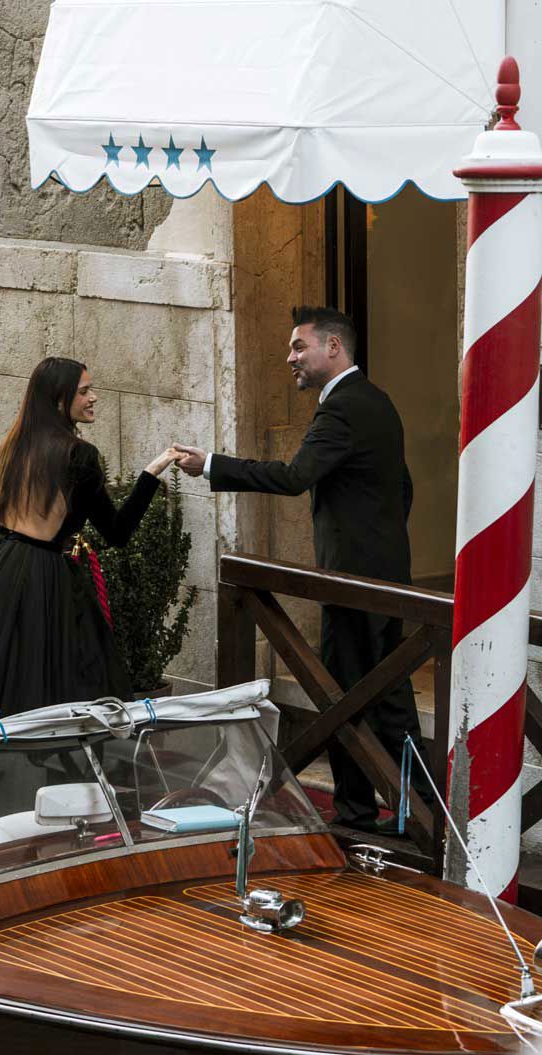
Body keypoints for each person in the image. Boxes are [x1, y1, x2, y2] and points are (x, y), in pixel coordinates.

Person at [172, 306, 421, 831]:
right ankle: (401, 812)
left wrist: (212, 464)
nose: (290, 358)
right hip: (381, 576)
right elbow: (403, 489)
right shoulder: (377, 401)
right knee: (375, 696)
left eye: (298, 346)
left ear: (334, 346)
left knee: (348, 696)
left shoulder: (343, 409)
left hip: (354, 583)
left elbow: (293, 477)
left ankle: (381, 813)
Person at [0, 356, 181, 724]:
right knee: (59, 679)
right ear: (58, 400)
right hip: (42, 578)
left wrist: (14, 539)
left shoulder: (12, 445)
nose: (94, 397)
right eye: (84, 392)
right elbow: (116, 532)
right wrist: (151, 474)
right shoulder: (79, 456)